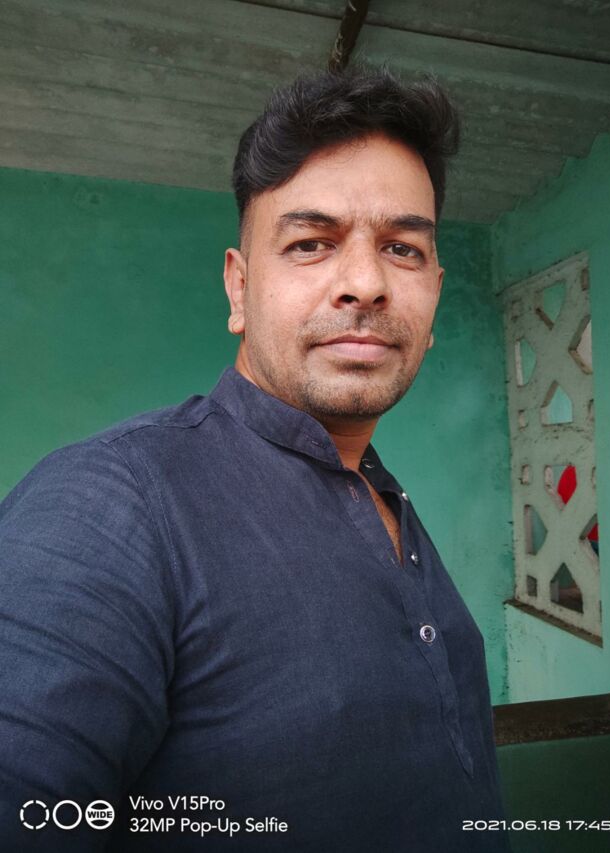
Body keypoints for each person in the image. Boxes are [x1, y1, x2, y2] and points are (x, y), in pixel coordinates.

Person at [0, 66, 509, 852]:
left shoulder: (384, 496)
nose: (365, 283)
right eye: (311, 243)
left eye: (402, 248)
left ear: (434, 295)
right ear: (239, 289)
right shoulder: (109, 506)